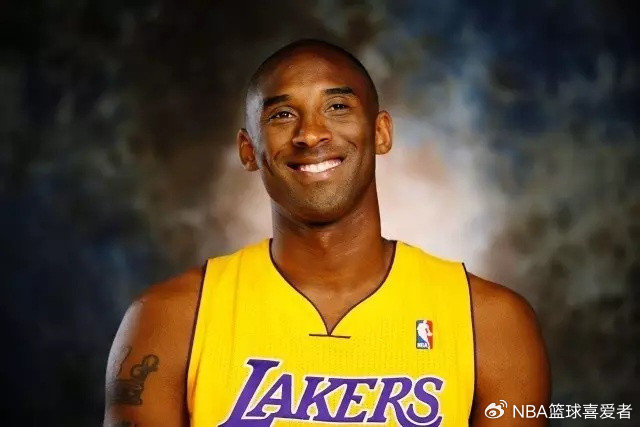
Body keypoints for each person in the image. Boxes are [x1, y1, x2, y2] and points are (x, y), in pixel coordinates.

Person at [104, 39, 550, 426]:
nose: (311, 134)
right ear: (249, 150)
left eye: (337, 107)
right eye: (282, 114)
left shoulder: (491, 323)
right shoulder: (170, 319)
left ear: (381, 132)